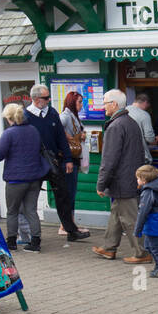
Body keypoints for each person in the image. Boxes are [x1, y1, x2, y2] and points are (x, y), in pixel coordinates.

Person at [93, 89, 150, 264]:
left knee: (130, 218)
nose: (103, 107)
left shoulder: (116, 126)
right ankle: (109, 248)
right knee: (117, 214)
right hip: (129, 178)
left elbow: (109, 159)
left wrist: (101, 184)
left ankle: (142, 253)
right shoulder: (130, 122)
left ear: (114, 105)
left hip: (122, 181)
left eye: (105, 103)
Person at [23, 84, 81, 244]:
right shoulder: (25, 116)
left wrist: (68, 158)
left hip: (54, 160)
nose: (48, 100)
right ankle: (30, 234)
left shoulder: (52, 112)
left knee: (63, 195)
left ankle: (70, 230)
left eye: (49, 97)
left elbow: (61, 138)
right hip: (34, 162)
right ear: (35, 99)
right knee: (31, 197)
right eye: (45, 98)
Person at [0, 102, 47, 253]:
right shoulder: (33, 130)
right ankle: (35, 242)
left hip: (15, 179)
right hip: (34, 177)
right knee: (31, 210)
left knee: (12, 211)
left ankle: (11, 242)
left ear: (9, 118)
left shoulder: (9, 133)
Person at [58, 93, 92, 239]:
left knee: (72, 191)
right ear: (72, 102)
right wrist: (67, 136)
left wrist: (81, 135)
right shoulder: (65, 116)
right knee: (68, 192)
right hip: (68, 158)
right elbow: (57, 130)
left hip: (75, 157)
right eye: (79, 102)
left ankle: (69, 223)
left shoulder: (74, 116)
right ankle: (65, 225)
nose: (81, 105)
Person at [134, 164, 158, 278]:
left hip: (153, 223)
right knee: (149, 246)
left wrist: (137, 230)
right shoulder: (156, 187)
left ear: (144, 180)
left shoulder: (148, 192)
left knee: (155, 247)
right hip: (157, 221)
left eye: (138, 178)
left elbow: (142, 213)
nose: (137, 180)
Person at [128, 92, 158, 158]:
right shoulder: (144, 115)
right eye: (148, 106)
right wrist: (156, 138)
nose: (147, 108)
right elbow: (150, 139)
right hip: (140, 155)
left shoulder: (124, 111)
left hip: (125, 156)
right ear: (145, 102)